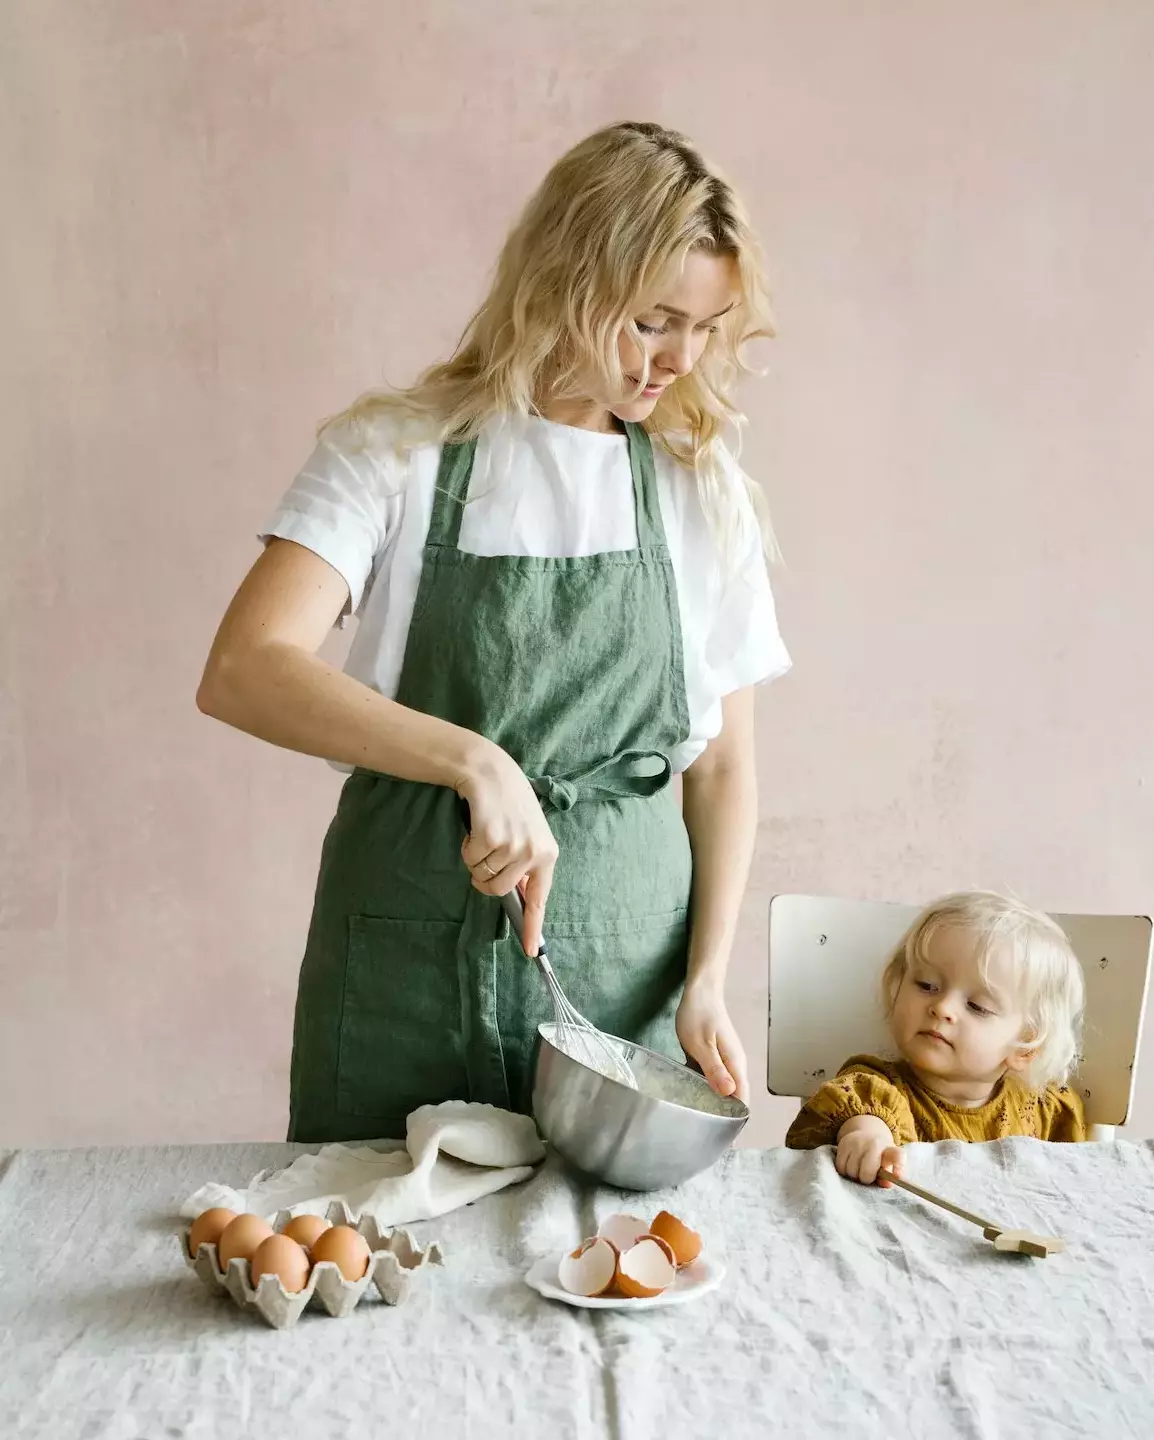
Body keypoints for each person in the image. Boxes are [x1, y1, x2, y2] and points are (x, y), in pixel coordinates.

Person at [197, 122, 790, 1143]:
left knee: (607, 1238)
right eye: (652, 321)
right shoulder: (397, 451)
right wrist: (474, 761)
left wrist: (706, 978)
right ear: (565, 280)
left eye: (705, 326)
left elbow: (724, 768)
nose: (681, 358)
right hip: (402, 967)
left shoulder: (699, 489)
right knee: (372, 1226)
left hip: (623, 972)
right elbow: (244, 668)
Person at [785, 891, 1087, 1182]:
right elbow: (862, 1119)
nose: (942, 1007)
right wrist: (866, 1139)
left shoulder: (1046, 1112)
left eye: (977, 1006)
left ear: (1025, 1046)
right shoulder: (876, 1089)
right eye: (927, 985)